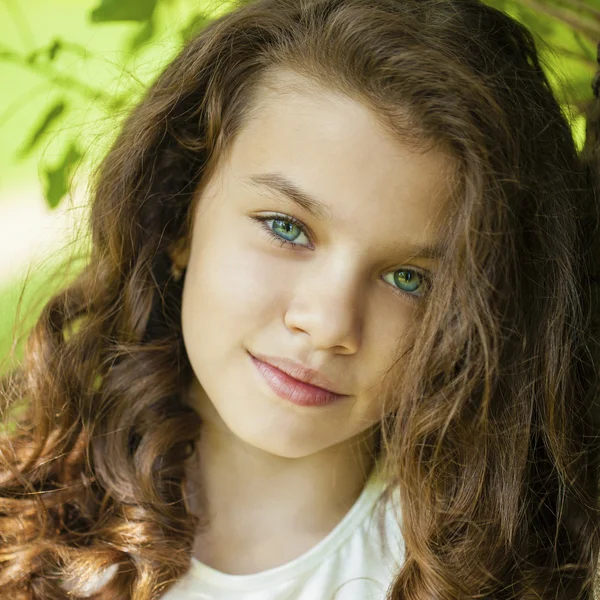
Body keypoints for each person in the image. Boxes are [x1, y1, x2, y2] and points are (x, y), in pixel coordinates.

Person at [2, 0, 600, 597]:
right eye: (287, 228)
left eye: (411, 279)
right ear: (178, 211)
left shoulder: (505, 573)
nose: (328, 323)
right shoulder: (26, 525)